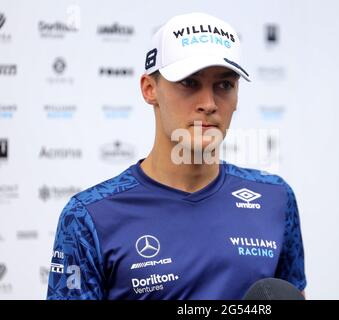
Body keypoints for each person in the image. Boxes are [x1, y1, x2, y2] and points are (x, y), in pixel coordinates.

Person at [47, 12, 306, 300]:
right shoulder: (88, 217)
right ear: (149, 89)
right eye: (189, 83)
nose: (208, 104)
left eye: (224, 85)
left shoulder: (275, 198)